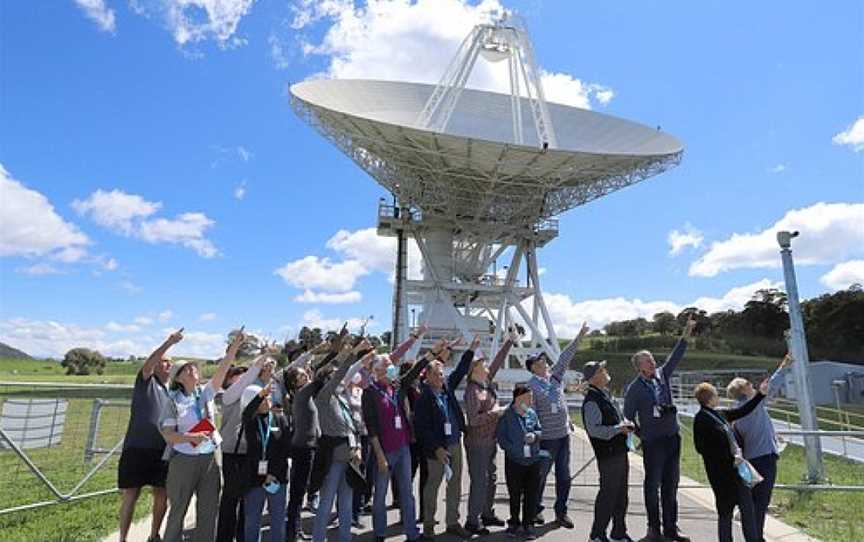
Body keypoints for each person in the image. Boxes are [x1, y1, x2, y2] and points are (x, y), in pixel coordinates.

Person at [160, 329, 243, 542]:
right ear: (178, 378)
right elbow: (168, 435)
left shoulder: (205, 393)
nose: (191, 370)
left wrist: (234, 347)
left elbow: (223, 370)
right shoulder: (173, 401)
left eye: (192, 367)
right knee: (178, 510)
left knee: (208, 511)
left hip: (210, 458)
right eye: (185, 369)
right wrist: (190, 438)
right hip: (183, 460)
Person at [362, 339, 444, 542]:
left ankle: (412, 533)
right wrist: (380, 456)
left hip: (403, 447)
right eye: (389, 367)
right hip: (384, 450)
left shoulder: (397, 387)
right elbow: (371, 428)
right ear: (378, 370)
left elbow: (415, 370)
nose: (393, 370)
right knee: (380, 494)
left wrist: (432, 353)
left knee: (407, 492)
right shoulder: (369, 393)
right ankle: (380, 533)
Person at [623, 318, 696, 542]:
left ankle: (671, 527)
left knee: (671, 485)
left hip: (672, 437)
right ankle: (653, 529)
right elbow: (627, 417)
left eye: (652, 359)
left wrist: (687, 331)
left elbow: (676, 355)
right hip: (653, 442)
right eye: (647, 361)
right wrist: (641, 434)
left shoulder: (662, 375)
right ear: (639, 367)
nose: (653, 362)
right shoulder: (634, 389)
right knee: (652, 485)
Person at [117, 330, 180, 542]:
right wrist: (168, 343)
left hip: (162, 450)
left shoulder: (171, 391)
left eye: (170, 362)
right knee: (131, 494)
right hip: (137, 447)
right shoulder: (146, 381)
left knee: (162, 494)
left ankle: (154, 535)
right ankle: (123, 538)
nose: (167, 364)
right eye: (163, 361)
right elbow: (150, 362)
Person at [526, 322, 589, 528]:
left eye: (544, 360)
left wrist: (579, 336)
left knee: (564, 476)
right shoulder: (531, 386)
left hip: (563, 437)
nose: (544, 362)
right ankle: (535, 510)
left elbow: (564, 357)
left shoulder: (555, 378)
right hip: (546, 440)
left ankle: (561, 513)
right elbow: (530, 413)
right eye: (540, 361)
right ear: (533, 366)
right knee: (541, 476)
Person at [312, 340, 373, 542]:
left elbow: (351, 427)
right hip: (332, 460)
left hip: (349, 459)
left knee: (346, 504)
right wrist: (353, 354)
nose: (340, 380)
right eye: (333, 378)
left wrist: (357, 447)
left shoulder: (341, 399)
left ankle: (345, 538)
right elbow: (339, 375)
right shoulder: (323, 397)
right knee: (326, 503)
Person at [727, 354, 792, 542]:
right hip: (764, 458)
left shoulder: (737, 412)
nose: (752, 385)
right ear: (745, 390)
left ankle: (754, 536)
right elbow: (772, 385)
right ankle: (756, 538)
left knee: (753, 502)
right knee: (761, 502)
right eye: (748, 383)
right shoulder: (753, 405)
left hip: (750, 460)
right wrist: (784, 366)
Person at [415, 336, 475, 540]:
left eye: (442, 374)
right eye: (438, 374)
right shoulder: (424, 397)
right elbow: (422, 428)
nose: (442, 377)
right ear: (428, 376)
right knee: (433, 485)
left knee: (455, 484)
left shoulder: (446, 389)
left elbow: (460, 371)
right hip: (438, 449)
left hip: (454, 443)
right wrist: (436, 448)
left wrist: (471, 350)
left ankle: (452, 522)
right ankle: (429, 526)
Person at [693, 381, 768, 542]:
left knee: (747, 509)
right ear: (710, 398)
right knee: (725, 513)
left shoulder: (719, 414)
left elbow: (742, 411)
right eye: (715, 395)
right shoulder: (701, 419)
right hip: (721, 475)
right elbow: (701, 447)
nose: (717, 397)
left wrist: (760, 395)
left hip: (737, 471)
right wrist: (727, 456)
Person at [463, 328, 518, 534]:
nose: (487, 366)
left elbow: (496, 362)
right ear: (474, 369)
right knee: (480, 481)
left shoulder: (484, 384)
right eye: (482, 364)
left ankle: (487, 513)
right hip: (478, 443)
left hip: (490, 441)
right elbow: (474, 419)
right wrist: (497, 413)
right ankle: (472, 520)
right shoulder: (472, 391)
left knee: (491, 478)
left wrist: (509, 342)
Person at [217, 355, 271, 542]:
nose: (241, 380)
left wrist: (267, 372)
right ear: (229, 381)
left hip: (249, 453)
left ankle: (241, 536)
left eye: (243, 376)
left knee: (246, 498)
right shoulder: (229, 396)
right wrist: (262, 359)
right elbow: (248, 381)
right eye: (236, 377)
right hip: (232, 452)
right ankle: (224, 537)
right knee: (230, 498)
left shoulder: (251, 396)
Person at [581, 360, 636, 542]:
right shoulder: (592, 400)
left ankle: (618, 532)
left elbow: (614, 420)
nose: (606, 371)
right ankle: (597, 534)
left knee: (621, 494)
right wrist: (619, 429)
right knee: (608, 495)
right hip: (608, 454)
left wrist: (624, 424)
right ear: (595, 376)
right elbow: (595, 430)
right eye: (602, 369)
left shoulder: (604, 395)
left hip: (619, 451)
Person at [240, 382, 291, 542]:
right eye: (263, 399)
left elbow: (285, 449)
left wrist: (271, 473)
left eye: (268, 398)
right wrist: (260, 394)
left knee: (278, 518)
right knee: (253, 520)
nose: (267, 400)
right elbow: (247, 413)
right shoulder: (250, 422)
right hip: (255, 479)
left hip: (277, 478)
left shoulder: (279, 419)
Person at [496, 384, 545, 540]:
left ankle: (528, 524)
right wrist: (513, 449)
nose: (531, 401)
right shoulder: (507, 415)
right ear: (518, 398)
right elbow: (501, 437)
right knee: (515, 494)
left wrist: (535, 436)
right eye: (528, 397)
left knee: (531, 494)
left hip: (533, 460)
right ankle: (514, 522)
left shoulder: (532, 414)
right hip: (515, 461)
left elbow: (540, 431)